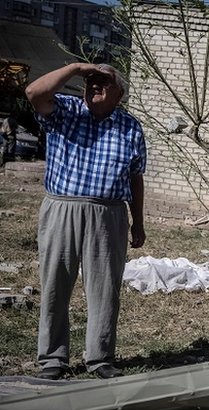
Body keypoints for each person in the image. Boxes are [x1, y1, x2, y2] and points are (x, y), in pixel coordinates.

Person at [25, 63, 147, 380]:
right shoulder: (65, 110)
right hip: (62, 208)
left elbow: (136, 177)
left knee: (105, 288)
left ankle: (100, 357)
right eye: (89, 80)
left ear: (119, 92)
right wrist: (76, 67)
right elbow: (33, 92)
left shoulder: (130, 126)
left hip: (109, 213)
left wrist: (139, 222)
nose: (93, 85)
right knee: (55, 284)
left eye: (103, 81)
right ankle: (52, 358)